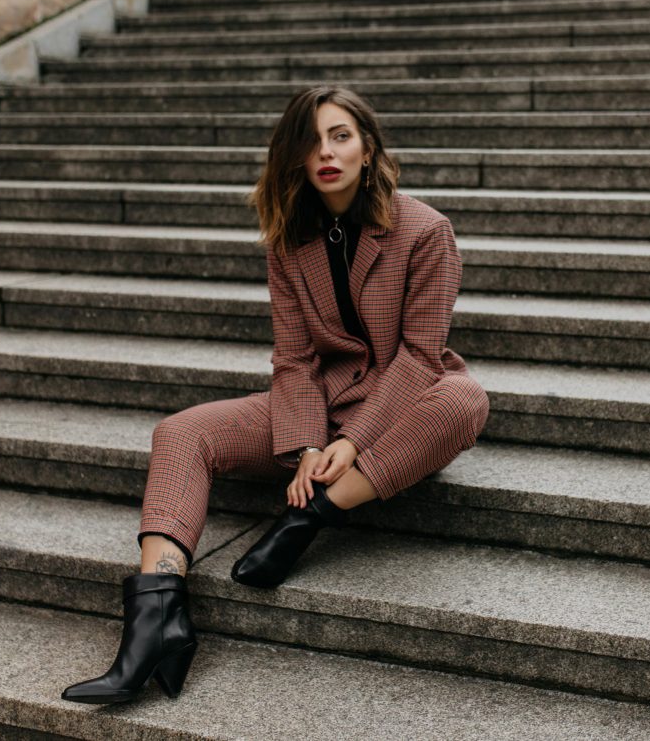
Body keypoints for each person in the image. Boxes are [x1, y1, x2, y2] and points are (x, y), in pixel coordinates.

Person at [61, 85, 490, 704]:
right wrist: (309, 443)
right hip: (319, 401)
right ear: (293, 156)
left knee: (467, 401)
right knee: (182, 432)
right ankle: (156, 618)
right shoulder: (290, 239)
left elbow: (419, 356)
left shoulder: (424, 231)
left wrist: (352, 443)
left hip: (405, 401)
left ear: (368, 149)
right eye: (311, 140)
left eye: (341, 136)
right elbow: (294, 359)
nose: (327, 152)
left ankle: (306, 517)